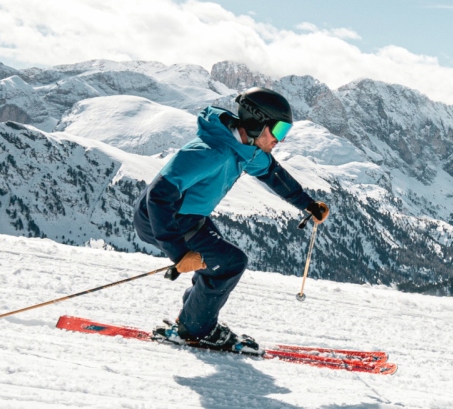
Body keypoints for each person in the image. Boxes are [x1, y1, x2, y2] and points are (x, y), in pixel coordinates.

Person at [133, 87, 329, 350]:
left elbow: (272, 173)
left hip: (190, 217)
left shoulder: (244, 148)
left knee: (218, 262)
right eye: (279, 130)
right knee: (230, 263)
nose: (279, 140)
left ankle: (192, 318)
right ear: (258, 123)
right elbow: (157, 196)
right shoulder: (211, 150)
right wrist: (178, 252)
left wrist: (307, 204)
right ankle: (194, 330)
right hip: (163, 218)